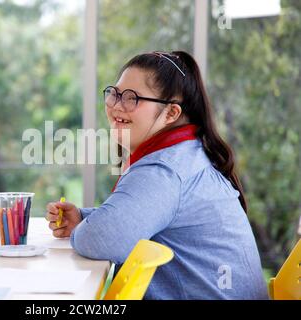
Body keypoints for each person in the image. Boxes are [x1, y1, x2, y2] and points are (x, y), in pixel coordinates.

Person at [46, 51, 268, 299]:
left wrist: (89, 228)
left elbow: (101, 240)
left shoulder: (165, 169)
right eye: (115, 93)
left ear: (171, 114)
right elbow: (151, 218)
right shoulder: (186, 153)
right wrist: (85, 218)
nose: (116, 105)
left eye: (132, 98)